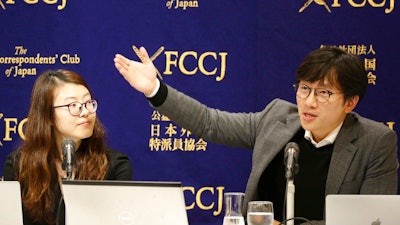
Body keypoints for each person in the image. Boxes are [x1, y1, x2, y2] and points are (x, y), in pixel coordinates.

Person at [113, 46, 398, 225]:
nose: (309, 101)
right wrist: (155, 89)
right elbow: (210, 123)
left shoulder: (374, 142)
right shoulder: (277, 118)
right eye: (304, 88)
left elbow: (371, 221)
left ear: (350, 103)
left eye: (324, 93)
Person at [3, 69, 133, 225]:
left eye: (88, 103)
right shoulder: (19, 165)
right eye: (73, 105)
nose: (85, 112)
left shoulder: (115, 165)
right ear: (48, 115)